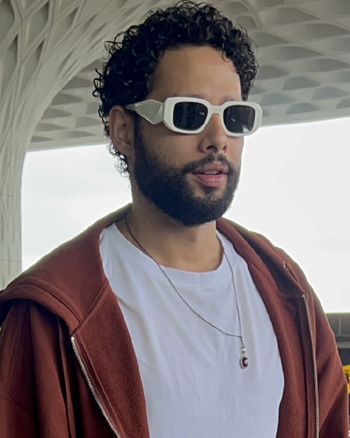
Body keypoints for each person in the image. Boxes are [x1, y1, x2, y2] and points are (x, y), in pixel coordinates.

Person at [0, 2, 348, 437]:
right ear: (124, 131)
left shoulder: (286, 288)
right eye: (189, 114)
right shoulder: (53, 314)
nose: (218, 139)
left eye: (234, 117)